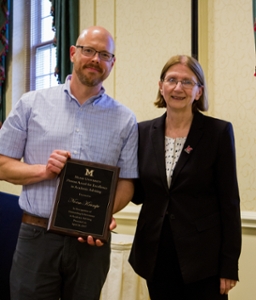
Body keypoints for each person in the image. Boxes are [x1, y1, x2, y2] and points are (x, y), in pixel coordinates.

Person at [0, 26, 138, 300]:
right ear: (73, 53)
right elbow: (2, 164)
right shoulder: (31, 104)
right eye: (88, 50)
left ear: (112, 62)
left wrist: (101, 215)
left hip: (90, 244)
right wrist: (44, 170)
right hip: (36, 236)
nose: (95, 59)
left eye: (104, 54)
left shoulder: (125, 119)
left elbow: (127, 182)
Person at [129, 55, 241, 300]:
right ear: (161, 86)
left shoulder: (218, 132)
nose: (178, 88)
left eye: (187, 82)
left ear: (199, 91)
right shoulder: (142, 131)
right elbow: (137, 192)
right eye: (171, 80)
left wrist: (229, 264)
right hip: (156, 256)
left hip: (204, 260)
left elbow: (229, 202)